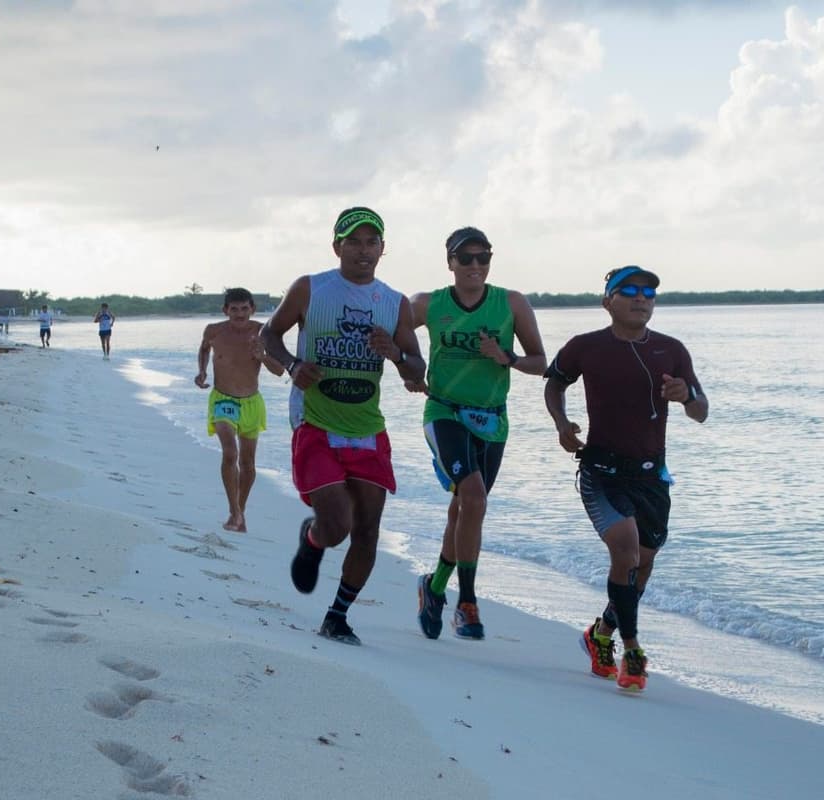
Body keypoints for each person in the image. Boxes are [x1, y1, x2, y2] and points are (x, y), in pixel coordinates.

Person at [261, 206, 426, 646]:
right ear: (337, 246)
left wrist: (394, 353)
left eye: (372, 242)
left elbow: (417, 372)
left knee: (368, 528)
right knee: (337, 526)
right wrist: (293, 365)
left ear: (383, 249)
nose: (363, 250)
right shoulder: (310, 289)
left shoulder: (393, 302)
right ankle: (314, 540)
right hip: (315, 419)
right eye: (353, 241)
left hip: (367, 426)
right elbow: (268, 336)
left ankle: (338, 615)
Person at [543, 265, 708, 692]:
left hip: (652, 477)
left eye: (650, 293)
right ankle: (632, 651)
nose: (642, 298)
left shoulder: (671, 350)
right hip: (601, 472)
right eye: (630, 291)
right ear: (608, 301)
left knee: (643, 564)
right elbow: (554, 383)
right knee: (627, 552)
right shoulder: (586, 346)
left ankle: (601, 631)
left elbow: (701, 409)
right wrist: (561, 423)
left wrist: (685, 395)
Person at [409, 226, 547, 641]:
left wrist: (506, 357)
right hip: (444, 411)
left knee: (464, 509)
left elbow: (541, 363)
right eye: (464, 258)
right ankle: (466, 603)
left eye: (482, 257)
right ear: (449, 262)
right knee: (474, 497)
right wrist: (410, 366)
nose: (474, 266)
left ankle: (433, 588)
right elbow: (395, 333)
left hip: (491, 418)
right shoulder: (428, 304)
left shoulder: (512, 303)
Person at [195, 288, 284, 532]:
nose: (239, 313)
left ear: (252, 309)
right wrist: (202, 371)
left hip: (252, 403)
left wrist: (262, 356)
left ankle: (239, 512)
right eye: (234, 309)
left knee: (247, 463)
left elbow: (279, 371)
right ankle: (234, 511)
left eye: (244, 308)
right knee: (230, 453)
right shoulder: (214, 331)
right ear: (226, 310)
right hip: (223, 400)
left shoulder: (262, 333)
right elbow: (204, 349)